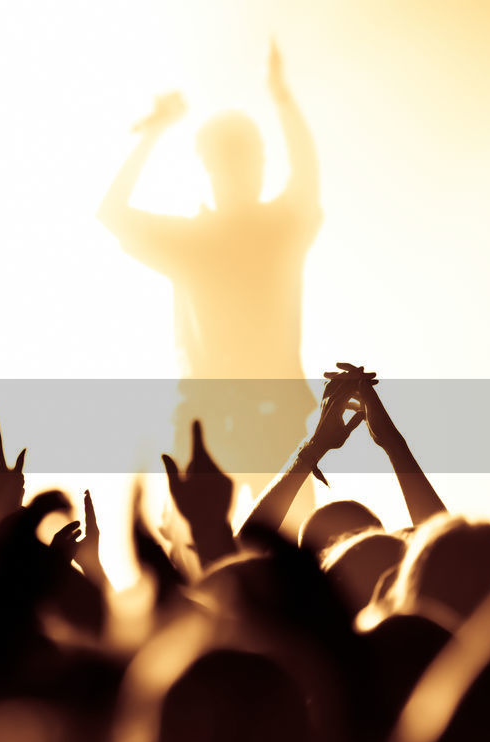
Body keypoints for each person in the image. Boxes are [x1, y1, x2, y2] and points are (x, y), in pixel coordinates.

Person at [98, 42, 323, 514]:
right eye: (234, 159)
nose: (246, 169)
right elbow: (112, 214)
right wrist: (153, 133)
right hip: (215, 424)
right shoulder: (202, 241)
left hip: (262, 423)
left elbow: (306, 175)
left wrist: (282, 97)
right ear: (209, 167)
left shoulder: (270, 231)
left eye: (251, 157)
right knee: (208, 559)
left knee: (286, 552)